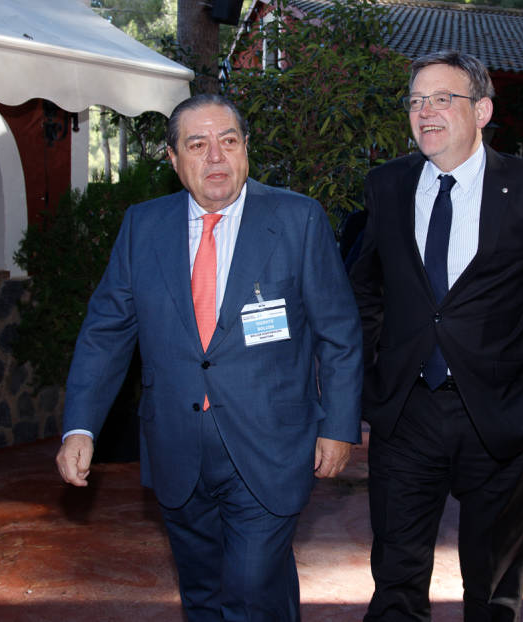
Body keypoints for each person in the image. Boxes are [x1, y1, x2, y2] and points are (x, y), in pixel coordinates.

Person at [55, 94, 363, 622]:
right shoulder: (143, 226)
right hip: (176, 447)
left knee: (248, 593)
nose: (216, 156)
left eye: (228, 141)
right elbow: (105, 334)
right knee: (202, 595)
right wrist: (80, 427)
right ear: (174, 160)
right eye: (198, 145)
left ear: (246, 150)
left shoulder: (297, 219)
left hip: (270, 447)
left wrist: (338, 426)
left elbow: (339, 333)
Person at [349, 51, 523, 621]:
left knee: (491, 591)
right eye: (416, 101)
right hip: (407, 415)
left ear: (482, 111)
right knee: (395, 582)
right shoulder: (387, 185)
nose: (426, 112)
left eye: (443, 99)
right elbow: (364, 287)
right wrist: (372, 368)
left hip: (504, 416)